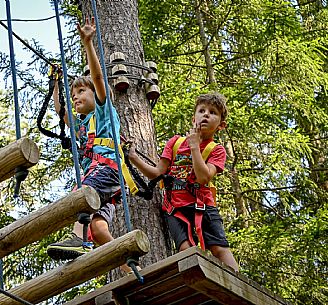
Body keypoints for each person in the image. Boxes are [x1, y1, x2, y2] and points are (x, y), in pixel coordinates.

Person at [46, 17, 133, 274]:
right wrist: (55, 84)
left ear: (94, 93)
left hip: (107, 170)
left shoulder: (104, 112)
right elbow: (60, 111)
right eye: (74, 96)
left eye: (81, 93)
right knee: (98, 227)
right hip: (101, 178)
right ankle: (129, 268)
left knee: (80, 195)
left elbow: (96, 77)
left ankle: (78, 240)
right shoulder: (82, 125)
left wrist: (88, 43)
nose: (76, 99)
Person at [128, 92, 239, 272]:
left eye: (212, 113)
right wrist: (134, 158)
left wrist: (195, 146)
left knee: (219, 248)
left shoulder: (216, 150)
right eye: (201, 110)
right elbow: (157, 173)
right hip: (174, 206)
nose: (206, 115)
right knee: (186, 249)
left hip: (202, 204)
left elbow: (203, 177)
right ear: (193, 117)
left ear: (221, 125)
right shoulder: (176, 142)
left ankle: (238, 286)